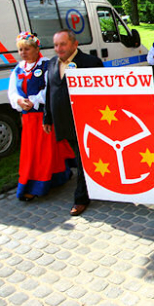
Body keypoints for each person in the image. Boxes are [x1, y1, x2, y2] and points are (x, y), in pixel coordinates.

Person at [43, 29, 103, 216]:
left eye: (63, 44)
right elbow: (50, 90)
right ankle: (97, 185)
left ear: (74, 44)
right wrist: (48, 116)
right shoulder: (52, 63)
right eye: (56, 45)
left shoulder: (90, 63)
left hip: (84, 123)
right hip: (63, 122)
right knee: (81, 159)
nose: (58, 49)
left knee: (81, 159)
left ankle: (81, 198)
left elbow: (102, 93)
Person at [8, 32, 74, 201]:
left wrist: (34, 100)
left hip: (44, 115)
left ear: (37, 49)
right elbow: (12, 91)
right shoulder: (18, 68)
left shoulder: (46, 65)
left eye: (27, 49)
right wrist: (18, 100)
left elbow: (52, 88)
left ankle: (41, 184)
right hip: (28, 119)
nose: (23, 52)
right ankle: (41, 181)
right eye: (21, 49)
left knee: (46, 152)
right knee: (32, 153)